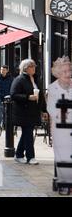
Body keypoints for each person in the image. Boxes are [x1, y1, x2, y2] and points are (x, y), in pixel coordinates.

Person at [11, 59, 47, 165]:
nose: (34, 68)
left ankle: (18, 154)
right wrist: (27, 97)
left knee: (26, 133)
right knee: (28, 133)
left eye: (34, 66)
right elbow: (13, 95)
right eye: (31, 66)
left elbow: (41, 97)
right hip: (23, 112)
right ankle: (30, 157)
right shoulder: (19, 79)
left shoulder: (36, 79)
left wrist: (44, 110)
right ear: (26, 68)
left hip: (33, 112)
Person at [47, 57, 72, 193]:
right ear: (58, 73)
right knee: (62, 156)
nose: (68, 74)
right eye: (64, 72)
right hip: (61, 128)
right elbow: (51, 108)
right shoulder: (53, 88)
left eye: (69, 71)